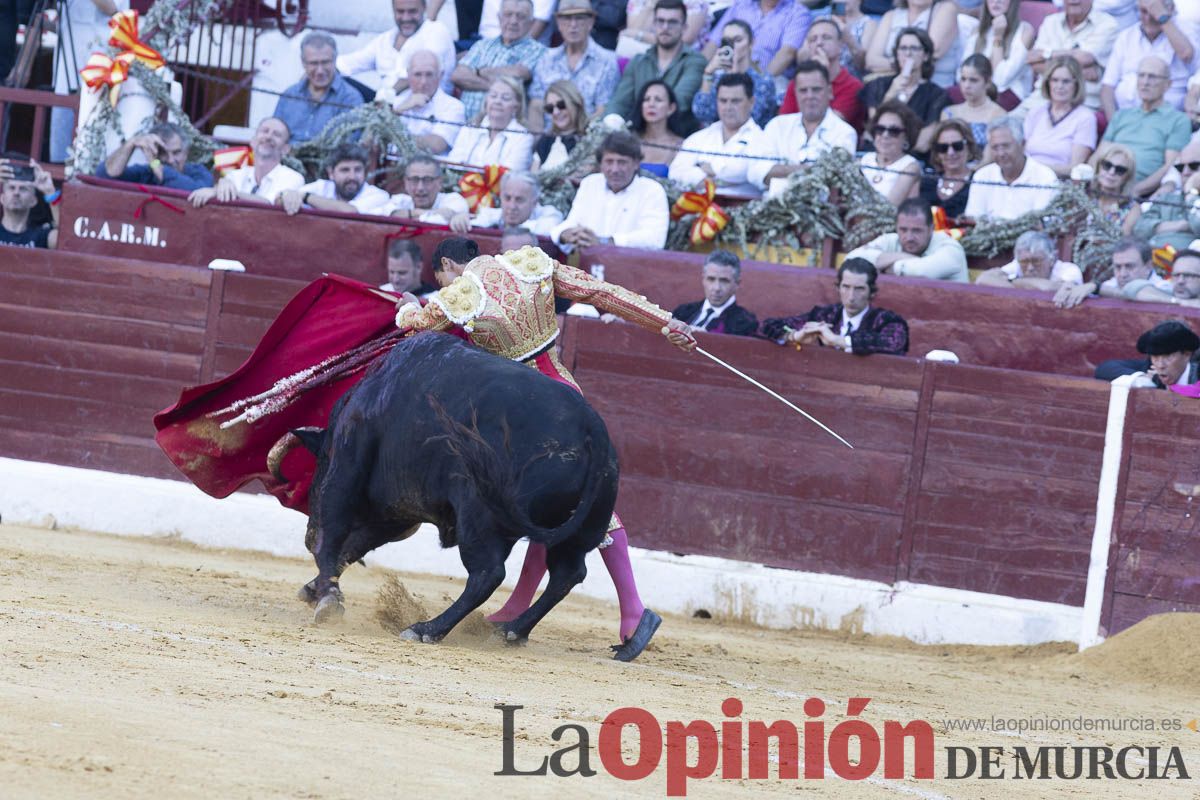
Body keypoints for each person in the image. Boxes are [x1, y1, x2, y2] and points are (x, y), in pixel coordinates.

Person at [394, 238, 700, 661]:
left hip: (524, 413)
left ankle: (631, 609)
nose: (445, 284)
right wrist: (666, 323)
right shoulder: (529, 264)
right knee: (559, 504)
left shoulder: (461, 294)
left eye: (441, 277)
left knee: (566, 507)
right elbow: (602, 293)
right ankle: (525, 607)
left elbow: (415, 327)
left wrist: (408, 305)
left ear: (448, 265)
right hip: (567, 394)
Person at [760, 258, 910, 355]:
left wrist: (837, 340)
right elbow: (765, 326)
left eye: (859, 289)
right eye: (846, 287)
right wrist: (794, 336)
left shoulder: (886, 321)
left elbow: (894, 342)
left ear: (872, 292)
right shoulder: (824, 316)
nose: (851, 297)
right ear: (838, 288)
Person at [746, 60, 857, 191]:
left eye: (816, 90)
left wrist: (780, 171)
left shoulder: (844, 132)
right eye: (803, 90)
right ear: (795, 93)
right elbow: (755, 171)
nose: (810, 96)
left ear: (829, 91)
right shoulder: (777, 125)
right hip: (771, 201)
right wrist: (808, 169)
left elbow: (835, 177)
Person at [551, 131, 669, 249]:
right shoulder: (590, 183)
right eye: (609, 162)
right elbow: (573, 221)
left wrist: (604, 242)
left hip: (631, 260)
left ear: (636, 164)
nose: (614, 169)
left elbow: (654, 239)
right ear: (600, 164)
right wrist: (565, 234)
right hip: (587, 258)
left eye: (622, 162)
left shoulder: (652, 191)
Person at [607, 0, 707, 133]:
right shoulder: (638, 61)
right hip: (638, 135)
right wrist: (610, 123)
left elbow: (680, 102)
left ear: (684, 27)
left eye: (672, 22)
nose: (665, 27)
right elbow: (620, 102)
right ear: (654, 24)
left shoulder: (695, 61)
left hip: (679, 136)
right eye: (660, 21)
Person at [1100, 56, 1192, 197]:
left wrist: (1136, 191)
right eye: (1141, 75)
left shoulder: (1178, 120)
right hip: (1106, 184)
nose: (1145, 82)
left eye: (1152, 77)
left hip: (1141, 194)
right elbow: (1099, 154)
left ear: (1168, 84)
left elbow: (1171, 166)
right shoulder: (1121, 115)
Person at [527, 0, 620, 132]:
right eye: (567, 18)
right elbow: (536, 105)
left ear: (591, 22)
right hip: (548, 137)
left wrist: (578, 138)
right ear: (558, 23)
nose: (573, 25)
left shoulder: (607, 62)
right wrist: (538, 138)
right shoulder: (545, 59)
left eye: (579, 18)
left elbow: (603, 110)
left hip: (585, 137)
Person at [669, 72, 764, 197]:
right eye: (723, 101)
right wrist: (708, 178)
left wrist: (705, 168)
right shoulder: (700, 137)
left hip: (741, 205)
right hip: (696, 205)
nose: (728, 107)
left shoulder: (761, 139)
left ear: (751, 102)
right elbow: (675, 173)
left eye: (735, 101)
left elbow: (744, 171)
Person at [452, 0, 547, 123]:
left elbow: (519, 73)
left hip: (505, 129)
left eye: (521, 16)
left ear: (531, 23)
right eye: (508, 14)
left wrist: (477, 72)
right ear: (499, 18)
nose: (513, 21)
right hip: (465, 125)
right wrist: (499, 88)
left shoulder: (538, 51)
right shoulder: (482, 45)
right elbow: (458, 76)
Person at [859, 28, 949, 153]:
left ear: (926, 55)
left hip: (912, 156)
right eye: (903, 48)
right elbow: (875, 128)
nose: (908, 53)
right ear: (896, 54)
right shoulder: (879, 85)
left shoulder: (936, 95)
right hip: (875, 153)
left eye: (914, 48)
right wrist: (891, 93)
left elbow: (923, 143)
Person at [337, 0, 457, 94]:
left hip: (421, 110)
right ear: (393, 10)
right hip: (385, 107)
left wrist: (384, 99)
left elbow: (418, 76)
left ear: (424, 8)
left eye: (412, 11)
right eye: (400, 11)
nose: (406, 18)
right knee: (335, 77)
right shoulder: (385, 39)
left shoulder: (436, 31)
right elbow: (348, 64)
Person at [1100, 0, 1196, 118]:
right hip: (1126, 117)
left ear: (1170, 9)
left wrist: (1163, 19)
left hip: (1167, 119)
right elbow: (1107, 87)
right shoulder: (1126, 36)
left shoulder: (1185, 30)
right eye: (1144, 11)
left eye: (1154, 12)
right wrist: (1114, 123)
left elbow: (1186, 54)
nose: (1149, 18)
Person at [1024, 0, 1118, 112]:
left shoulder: (1107, 24)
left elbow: (1085, 58)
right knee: (1008, 121)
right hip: (1040, 99)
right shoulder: (1051, 21)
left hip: (1081, 103)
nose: (1074, 1)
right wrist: (1078, 67)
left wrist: (1045, 55)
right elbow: (1033, 61)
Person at [273, 32, 366, 144]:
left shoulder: (351, 99)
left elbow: (347, 145)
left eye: (325, 62)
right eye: (313, 63)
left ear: (335, 60)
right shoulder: (289, 95)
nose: (320, 71)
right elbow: (274, 134)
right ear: (303, 63)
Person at [187, 118, 303, 208]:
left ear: (286, 149)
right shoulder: (235, 175)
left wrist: (231, 193)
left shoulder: (293, 177)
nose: (268, 137)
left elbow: (269, 205)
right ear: (253, 141)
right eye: (265, 131)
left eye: (276, 134)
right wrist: (217, 189)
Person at [962, 116, 1060, 221]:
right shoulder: (982, 176)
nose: (1001, 153)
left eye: (1006, 146)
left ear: (1022, 144)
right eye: (995, 147)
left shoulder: (1045, 177)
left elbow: (1042, 223)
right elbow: (973, 219)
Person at [847, 197, 968, 281]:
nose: (909, 237)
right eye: (903, 230)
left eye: (917, 230)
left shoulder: (951, 248)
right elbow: (850, 260)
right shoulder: (891, 240)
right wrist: (902, 256)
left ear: (931, 228)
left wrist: (885, 265)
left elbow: (922, 272)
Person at [779, 18, 864, 134]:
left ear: (840, 46)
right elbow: (783, 125)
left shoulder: (853, 86)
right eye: (813, 39)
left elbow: (829, 126)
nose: (819, 43)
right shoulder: (797, 83)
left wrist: (823, 75)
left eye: (826, 37)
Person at [693, 19, 779, 129]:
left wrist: (735, 76)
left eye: (737, 40)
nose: (732, 46)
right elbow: (702, 113)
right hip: (716, 134)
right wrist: (708, 73)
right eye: (727, 41)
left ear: (751, 43)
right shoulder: (716, 77)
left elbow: (750, 117)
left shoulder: (763, 80)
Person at [1021, 56, 1097, 179]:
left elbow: (1074, 168)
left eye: (1066, 81)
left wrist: (1036, 169)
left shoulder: (1085, 118)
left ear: (1076, 84)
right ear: (1048, 83)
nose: (1059, 86)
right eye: (1055, 80)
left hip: (1058, 182)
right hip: (1026, 178)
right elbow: (1021, 154)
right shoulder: (1035, 112)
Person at [699, 0, 812, 81]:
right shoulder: (741, 5)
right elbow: (714, 42)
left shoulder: (797, 12)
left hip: (771, 80)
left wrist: (760, 83)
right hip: (728, 75)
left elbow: (787, 54)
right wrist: (698, 71)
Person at [445, 76, 535, 171]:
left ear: (516, 106)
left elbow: (511, 173)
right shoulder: (470, 128)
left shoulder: (523, 137)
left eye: (505, 98)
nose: (498, 101)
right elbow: (453, 164)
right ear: (486, 100)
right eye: (493, 96)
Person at [865, 0, 961, 88]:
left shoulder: (946, 9)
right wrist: (905, 65)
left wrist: (894, 64)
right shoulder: (890, 16)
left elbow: (933, 51)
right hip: (891, 86)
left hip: (933, 88)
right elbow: (872, 61)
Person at [277, 143, 392, 217]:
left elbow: (349, 213)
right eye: (345, 170)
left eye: (357, 170)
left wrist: (306, 197)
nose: (352, 176)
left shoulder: (379, 196)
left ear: (365, 173)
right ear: (331, 173)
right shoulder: (321, 186)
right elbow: (280, 200)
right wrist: (287, 196)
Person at [386, 50, 466, 155]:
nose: (423, 81)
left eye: (429, 74)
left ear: (440, 75)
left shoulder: (453, 107)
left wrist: (391, 136)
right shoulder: (397, 102)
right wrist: (400, 109)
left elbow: (436, 145)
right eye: (417, 74)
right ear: (408, 74)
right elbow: (372, 135)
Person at [1053, 236, 1170, 306]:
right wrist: (1072, 288)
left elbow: (1140, 295)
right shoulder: (1109, 285)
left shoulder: (1165, 288)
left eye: (1130, 266)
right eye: (1118, 267)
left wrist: (1097, 288)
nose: (1123, 274)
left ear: (1148, 266)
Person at [956, 0, 1034, 105]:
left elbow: (1000, 80)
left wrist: (998, 37)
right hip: (976, 90)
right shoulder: (978, 30)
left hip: (1009, 94)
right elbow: (961, 74)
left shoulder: (1025, 31)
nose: (996, 1)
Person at [97, 122, 214, 192]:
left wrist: (155, 164)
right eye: (163, 153)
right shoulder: (147, 173)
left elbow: (194, 192)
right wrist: (130, 144)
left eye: (176, 153)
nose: (170, 160)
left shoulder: (199, 172)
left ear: (186, 152)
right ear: (153, 152)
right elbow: (104, 176)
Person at [670, 250, 760, 336]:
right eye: (711, 279)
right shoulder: (682, 311)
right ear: (703, 279)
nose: (716, 288)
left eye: (724, 281)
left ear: (737, 284)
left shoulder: (745, 323)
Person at [1133, 142, 1200, 249]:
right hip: (1155, 255)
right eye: (1180, 167)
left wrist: (1190, 192)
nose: (1185, 172)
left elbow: (1198, 225)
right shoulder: (1167, 198)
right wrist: (1178, 226)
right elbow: (1139, 229)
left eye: (1194, 166)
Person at [1096, 320, 1200, 388]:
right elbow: (1104, 368)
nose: (1160, 365)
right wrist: (1143, 378)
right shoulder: (1150, 368)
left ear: (1187, 354)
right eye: (1155, 356)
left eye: (1168, 356)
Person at [859, 101, 922, 206]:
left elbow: (889, 207)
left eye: (894, 131)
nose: (885, 135)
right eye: (880, 129)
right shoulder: (865, 159)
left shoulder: (910, 166)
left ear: (906, 136)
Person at [939, 54, 1005, 153]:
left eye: (973, 80)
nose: (967, 85)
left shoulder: (998, 114)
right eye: (963, 79)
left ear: (988, 82)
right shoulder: (949, 113)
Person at [974, 230, 1084, 290]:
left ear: (1052, 259)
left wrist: (1013, 282)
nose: (1030, 267)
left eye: (1037, 261)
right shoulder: (1018, 264)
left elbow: (1049, 288)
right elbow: (982, 279)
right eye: (1024, 262)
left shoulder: (1069, 269)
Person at [387, 154, 471, 229]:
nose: (420, 187)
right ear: (406, 182)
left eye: (427, 180)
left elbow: (441, 218)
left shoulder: (454, 200)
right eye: (415, 179)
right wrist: (420, 213)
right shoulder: (400, 200)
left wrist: (407, 214)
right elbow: (385, 212)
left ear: (440, 182)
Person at [472, 170, 564, 235]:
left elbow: (550, 227)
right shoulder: (490, 215)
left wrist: (511, 228)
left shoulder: (550, 215)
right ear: (501, 197)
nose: (512, 206)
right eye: (507, 198)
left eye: (519, 200)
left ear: (535, 203)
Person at [919, 118, 977, 219]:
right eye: (943, 148)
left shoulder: (978, 181)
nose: (950, 153)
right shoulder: (927, 181)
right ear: (937, 152)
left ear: (969, 147)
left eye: (957, 146)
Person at [530, 80, 589, 172]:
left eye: (561, 105)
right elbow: (533, 175)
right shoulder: (545, 140)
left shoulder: (591, 136)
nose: (556, 112)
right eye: (550, 108)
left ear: (575, 103)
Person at [617, 0, 709, 58]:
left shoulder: (695, 2)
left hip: (680, 57)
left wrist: (640, 35)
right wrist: (651, 5)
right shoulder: (639, 1)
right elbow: (631, 35)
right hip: (642, 55)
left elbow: (685, 39)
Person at [630, 80, 685, 175]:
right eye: (646, 99)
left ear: (671, 108)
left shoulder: (680, 146)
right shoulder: (630, 141)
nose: (651, 104)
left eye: (658, 100)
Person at [0, 159, 58, 249]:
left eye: (23, 189)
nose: (16, 193)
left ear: (33, 201)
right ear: (2, 198)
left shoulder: (40, 236)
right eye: (11, 188)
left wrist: (51, 193)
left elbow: (67, 238)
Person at [1086, 142, 1141, 232]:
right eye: (1107, 165)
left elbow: (1123, 239)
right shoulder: (1084, 197)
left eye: (1120, 170)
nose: (1111, 172)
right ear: (1098, 168)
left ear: (1127, 177)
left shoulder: (1133, 209)